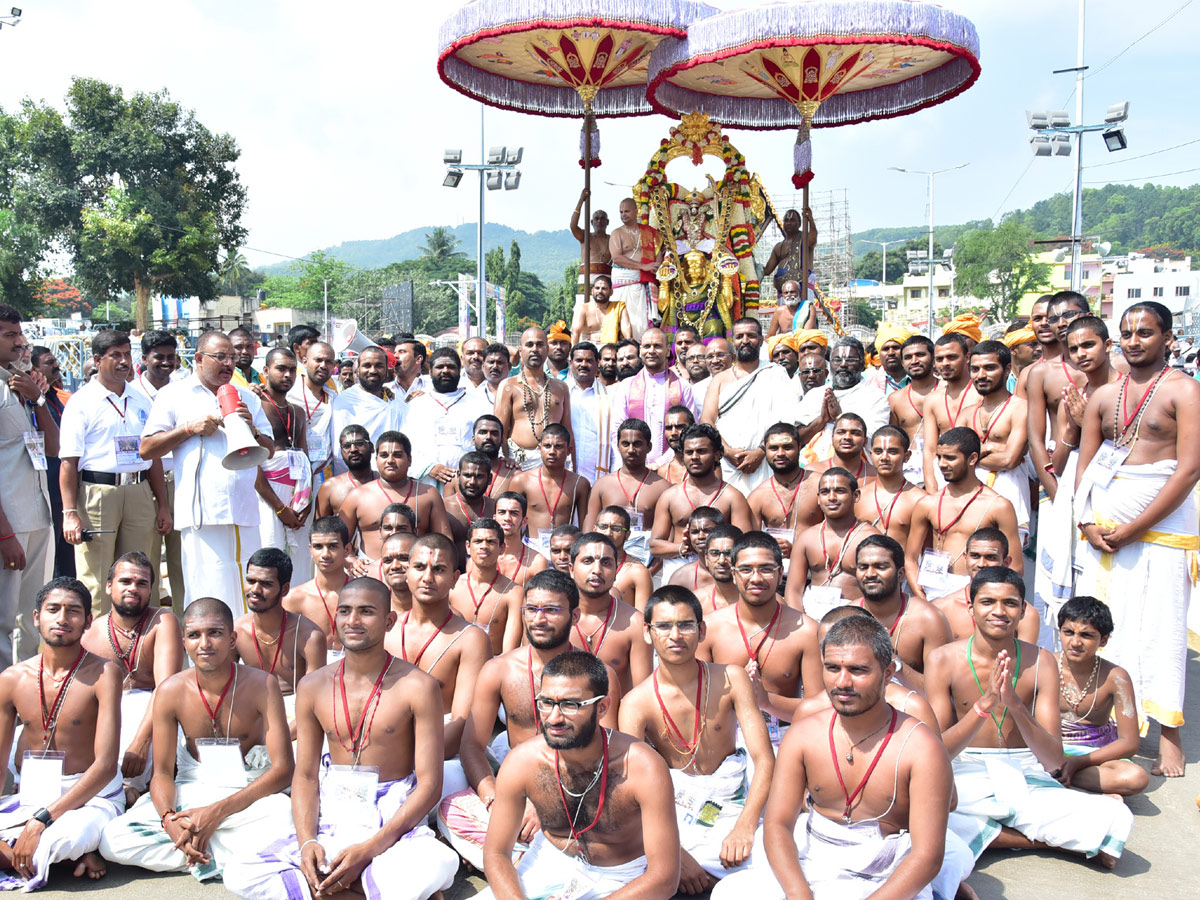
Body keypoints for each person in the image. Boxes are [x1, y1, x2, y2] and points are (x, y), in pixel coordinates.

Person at [222, 577, 459, 900]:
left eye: (366, 612)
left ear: (389, 621)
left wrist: (369, 849)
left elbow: (430, 785)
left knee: (438, 863)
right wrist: (308, 842)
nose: (353, 621)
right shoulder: (313, 686)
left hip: (392, 816)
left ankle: (332, 889)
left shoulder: (418, 686)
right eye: (345, 611)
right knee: (239, 873)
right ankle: (358, 890)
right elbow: (305, 775)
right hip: (334, 810)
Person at [717, 613, 953, 900]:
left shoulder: (920, 745)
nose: (842, 682)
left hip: (885, 871)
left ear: (888, 672)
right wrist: (798, 893)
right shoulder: (803, 734)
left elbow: (927, 856)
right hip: (813, 855)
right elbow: (778, 824)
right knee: (729, 892)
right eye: (832, 668)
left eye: (858, 670)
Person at [924, 567, 1134, 868]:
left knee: (1114, 816)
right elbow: (940, 751)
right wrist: (984, 706)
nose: (999, 611)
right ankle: (1045, 841)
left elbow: (1053, 760)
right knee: (926, 811)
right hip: (964, 768)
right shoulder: (942, 659)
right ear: (971, 607)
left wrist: (1015, 704)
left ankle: (994, 834)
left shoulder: (1042, 660)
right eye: (987, 602)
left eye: (1010, 603)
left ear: (1023, 610)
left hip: (1024, 770)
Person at [1073, 301, 1200, 777]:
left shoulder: (1185, 391)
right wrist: (1086, 523)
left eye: (1145, 332)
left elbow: (1188, 469)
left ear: (1168, 337)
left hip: (1162, 532)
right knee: (1107, 628)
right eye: (1126, 333)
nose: (1133, 340)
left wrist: (1135, 527)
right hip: (1104, 535)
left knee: (1161, 632)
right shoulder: (1105, 396)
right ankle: (1111, 722)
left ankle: (1169, 734)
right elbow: (1083, 469)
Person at [98, 596, 294, 881]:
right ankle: (212, 851)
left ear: (231, 639)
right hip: (192, 789)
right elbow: (163, 773)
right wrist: (168, 821)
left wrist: (215, 814)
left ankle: (195, 851)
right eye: (194, 635)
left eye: (214, 633)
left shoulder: (263, 684)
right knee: (112, 840)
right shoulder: (169, 690)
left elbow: (283, 770)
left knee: (283, 816)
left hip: (247, 791)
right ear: (184, 642)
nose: (204, 643)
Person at [437, 570, 621, 869]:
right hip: (519, 788)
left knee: (613, 813)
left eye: (551, 610)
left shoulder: (598, 675)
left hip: (578, 791)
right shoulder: (499, 670)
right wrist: (495, 800)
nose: (539, 619)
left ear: (574, 616)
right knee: (452, 807)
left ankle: (522, 859)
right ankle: (539, 860)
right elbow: (471, 745)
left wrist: (548, 804)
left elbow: (607, 753)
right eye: (532, 609)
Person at [478, 650, 679, 900]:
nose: (554, 718)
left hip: (623, 878)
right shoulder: (523, 761)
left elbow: (665, 878)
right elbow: (496, 853)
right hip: (548, 861)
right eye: (546, 703)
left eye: (570, 705)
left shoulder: (642, 767)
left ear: (602, 707)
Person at [620, 585, 773, 894]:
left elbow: (764, 758)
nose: (675, 635)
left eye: (685, 624)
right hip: (677, 807)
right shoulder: (636, 703)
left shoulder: (731, 678)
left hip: (734, 798)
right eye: (663, 626)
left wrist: (744, 827)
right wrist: (677, 853)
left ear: (701, 630)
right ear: (648, 633)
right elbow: (630, 789)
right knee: (643, 866)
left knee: (779, 856)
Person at [140, 330, 274, 614]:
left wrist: (254, 430)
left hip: (244, 512)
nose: (229, 364)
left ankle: (245, 652)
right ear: (199, 359)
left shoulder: (247, 398)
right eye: (220, 357)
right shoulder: (174, 394)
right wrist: (189, 429)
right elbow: (147, 449)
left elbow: (270, 449)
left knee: (249, 590)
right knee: (207, 592)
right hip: (201, 514)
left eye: (232, 358)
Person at [0, 577, 122, 888]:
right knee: (43, 842)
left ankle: (60, 852)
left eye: (73, 611)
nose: (62, 619)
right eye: (53, 609)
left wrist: (41, 821)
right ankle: (73, 859)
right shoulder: (12, 678)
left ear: (87, 621)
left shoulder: (105, 673)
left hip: (90, 795)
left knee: (63, 839)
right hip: (31, 794)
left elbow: (106, 767)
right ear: (36, 617)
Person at [59, 330, 170, 616]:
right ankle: (97, 650)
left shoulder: (141, 399)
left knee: (142, 570)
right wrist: (70, 512)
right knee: (96, 578)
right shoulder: (81, 402)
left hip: (139, 491)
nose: (124, 361)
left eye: (127, 354)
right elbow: (68, 463)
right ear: (97, 360)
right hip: (99, 493)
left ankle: (142, 645)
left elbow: (153, 455)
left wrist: (163, 506)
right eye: (115, 355)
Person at [699, 532, 823, 762]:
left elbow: (820, 708)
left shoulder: (807, 631)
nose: (756, 578)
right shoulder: (711, 630)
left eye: (766, 569)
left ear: (780, 573)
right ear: (734, 575)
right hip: (724, 740)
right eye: (746, 570)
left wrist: (766, 702)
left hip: (786, 738)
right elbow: (695, 700)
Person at [1035, 316, 1120, 640]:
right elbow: (1057, 463)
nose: (1081, 353)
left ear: (1107, 345)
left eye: (1088, 345)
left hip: (1112, 490)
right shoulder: (1074, 393)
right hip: (1074, 487)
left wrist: (1091, 423)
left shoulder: (1125, 387)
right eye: (1074, 349)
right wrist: (1071, 430)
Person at [388, 533, 490, 801]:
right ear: (407, 571)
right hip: (383, 742)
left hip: (442, 752)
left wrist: (403, 759)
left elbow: (462, 723)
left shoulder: (470, 638)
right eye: (420, 567)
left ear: (456, 578)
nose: (427, 577)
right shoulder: (387, 630)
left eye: (439, 569)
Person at [80, 552, 183, 801]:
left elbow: (166, 688)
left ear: (151, 590)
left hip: (154, 715)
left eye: (142, 583)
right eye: (125, 581)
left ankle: (126, 790)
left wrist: (140, 742)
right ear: (108, 587)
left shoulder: (163, 622)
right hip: (107, 715)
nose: (133, 588)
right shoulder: (91, 633)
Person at [906, 428, 1022, 601]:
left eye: (950, 458)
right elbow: (910, 559)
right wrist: (922, 597)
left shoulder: (998, 506)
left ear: (973, 459)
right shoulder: (927, 504)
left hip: (981, 590)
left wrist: (990, 596)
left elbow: (1016, 566)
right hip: (934, 590)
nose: (942, 464)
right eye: (939, 457)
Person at [1051, 595, 1149, 796]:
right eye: (1068, 632)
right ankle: (1067, 776)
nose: (1075, 642)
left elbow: (1129, 743)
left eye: (1086, 635)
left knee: (1135, 778)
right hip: (1048, 747)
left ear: (1103, 639)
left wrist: (1079, 762)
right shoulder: (1043, 664)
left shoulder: (1116, 677)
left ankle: (1057, 775)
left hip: (1093, 754)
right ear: (1059, 631)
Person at [702, 318, 798, 495]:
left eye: (751, 336)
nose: (745, 341)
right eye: (740, 336)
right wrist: (726, 451)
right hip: (728, 464)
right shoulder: (720, 380)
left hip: (766, 462)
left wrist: (761, 452)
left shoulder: (776, 373)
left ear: (761, 340)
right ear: (733, 342)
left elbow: (787, 421)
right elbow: (707, 421)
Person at [234, 548, 327, 726]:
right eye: (251, 581)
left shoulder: (308, 636)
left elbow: (315, 702)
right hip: (252, 717)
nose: (255, 590)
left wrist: (277, 738)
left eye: (266, 584)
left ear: (284, 589)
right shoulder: (237, 632)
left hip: (298, 718)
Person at [651, 425, 752, 581]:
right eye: (689, 452)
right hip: (678, 571)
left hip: (721, 572)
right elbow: (655, 545)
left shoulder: (733, 497)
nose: (694, 457)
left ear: (717, 455)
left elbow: (745, 545)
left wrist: (714, 548)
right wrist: (683, 548)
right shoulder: (670, 496)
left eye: (702, 451)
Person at [853, 536, 951, 692]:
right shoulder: (847, 617)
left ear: (900, 574)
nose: (870, 574)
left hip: (913, 712)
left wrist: (890, 658)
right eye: (863, 567)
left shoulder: (929, 619)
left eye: (881, 567)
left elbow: (939, 692)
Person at [129, 330, 183, 609]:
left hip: (179, 481)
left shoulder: (183, 391)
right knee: (146, 559)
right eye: (158, 357)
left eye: (171, 357)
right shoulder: (131, 394)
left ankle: (186, 625)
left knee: (180, 560)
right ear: (144, 359)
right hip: (143, 484)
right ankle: (146, 627)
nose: (165, 363)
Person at [338, 431, 450, 558]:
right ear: (376, 459)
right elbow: (338, 542)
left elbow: (444, 542)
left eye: (397, 455)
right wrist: (352, 561)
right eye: (384, 455)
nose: (390, 460)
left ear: (409, 460)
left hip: (416, 572)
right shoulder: (357, 496)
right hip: (369, 572)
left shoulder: (429, 495)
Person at [254, 348, 313, 582]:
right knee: (269, 559)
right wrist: (279, 507)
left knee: (299, 562)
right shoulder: (256, 407)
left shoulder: (297, 412)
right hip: (268, 497)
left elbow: (305, 460)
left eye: (292, 370)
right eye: (281, 368)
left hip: (298, 497)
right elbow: (254, 467)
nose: (287, 375)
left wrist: (307, 503)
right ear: (266, 371)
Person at [788, 469, 880, 613]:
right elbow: (793, 590)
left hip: (853, 617)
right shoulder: (807, 538)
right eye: (825, 492)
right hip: (809, 614)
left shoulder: (870, 539)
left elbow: (879, 591)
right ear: (818, 498)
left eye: (840, 491)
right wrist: (803, 624)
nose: (831, 497)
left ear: (855, 496)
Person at [568, 533, 651, 692]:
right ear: (571, 569)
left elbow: (642, 692)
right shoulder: (556, 618)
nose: (597, 570)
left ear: (615, 571)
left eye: (606, 563)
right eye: (588, 561)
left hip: (618, 714)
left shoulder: (634, 623)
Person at [966, 341, 1030, 546]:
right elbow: (954, 458)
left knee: (1008, 569)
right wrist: (991, 448)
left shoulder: (1021, 408)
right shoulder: (968, 414)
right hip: (969, 501)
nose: (981, 375)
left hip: (1010, 498)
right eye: (975, 369)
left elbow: (1010, 459)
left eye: (990, 367)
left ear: (1007, 368)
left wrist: (971, 456)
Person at [931, 528, 1042, 645]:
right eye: (975, 556)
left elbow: (1025, 660)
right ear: (965, 557)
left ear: (1006, 562)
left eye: (991, 557)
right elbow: (936, 659)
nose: (981, 564)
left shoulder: (1025, 614)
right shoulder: (942, 608)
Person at [609, 329, 696, 469]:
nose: (652, 351)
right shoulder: (627, 385)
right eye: (647, 346)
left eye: (657, 346)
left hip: (672, 467)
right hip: (632, 466)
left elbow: (690, 429)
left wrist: (661, 463)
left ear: (668, 350)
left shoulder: (682, 386)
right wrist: (624, 462)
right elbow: (616, 431)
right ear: (640, 350)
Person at [406, 349, 491, 488]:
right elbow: (407, 444)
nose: (445, 371)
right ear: (430, 372)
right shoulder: (417, 405)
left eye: (451, 367)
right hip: (426, 482)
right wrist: (429, 468)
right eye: (439, 367)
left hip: (468, 482)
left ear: (460, 370)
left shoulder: (478, 404)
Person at [796, 337, 889, 463]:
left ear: (862, 364)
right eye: (837, 360)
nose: (843, 364)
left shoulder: (874, 397)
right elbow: (796, 438)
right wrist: (821, 420)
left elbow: (874, 442)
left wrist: (839, 417)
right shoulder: (815, 395)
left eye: (850, 360)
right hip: (813, 472)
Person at [494, 327, 572, 471]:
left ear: (547, 349)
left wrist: (573, 465)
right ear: (520, 350)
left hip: (555, 461)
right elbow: (499, 431)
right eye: (529, 345)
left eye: (540, 344)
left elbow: (568, 430)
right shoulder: (508, 386)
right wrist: (505, 460)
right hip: (518, 463)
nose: (535, 349)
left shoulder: (561, 388)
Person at [450, 518, 523, 656]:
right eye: (478, 541)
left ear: (501, 548)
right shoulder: (452, 586)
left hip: (495, 666)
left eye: (490, 541)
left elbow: (509, 653)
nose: (483, 546)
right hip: (454, 663)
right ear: (467, 547)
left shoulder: (514, 593)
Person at [584, 418, 668, 538]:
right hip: (608, 554)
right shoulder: (601, 486)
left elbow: (667, 536)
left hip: (646, 555)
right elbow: (588, 533)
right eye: (625, 444)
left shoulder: (662, 488)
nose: (631, 450)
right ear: (618, 446)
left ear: (649, 447)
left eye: (637, 444)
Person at [283, 517, 351, 663]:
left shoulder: (363, 594)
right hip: (310, 675)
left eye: (332, 546)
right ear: (310, 549)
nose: (325, 554)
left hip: (356, 674)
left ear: (347, 550)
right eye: (318, 546)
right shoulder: (294, 599)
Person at [920, 333, 979, 490]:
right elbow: (930, 450)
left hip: (979, 474)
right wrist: (932, 490)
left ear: (967, 357)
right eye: (939, 359)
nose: (945, 363)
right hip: (943, 476)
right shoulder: (932, 399)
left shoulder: (981, 394)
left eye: (952, 357)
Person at [512, 424, 589, 538]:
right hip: (531, 548)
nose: (552, 451)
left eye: (558, 446)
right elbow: (510, 521)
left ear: (569, 450)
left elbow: (585, 525)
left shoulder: (579, 484)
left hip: (564, 548)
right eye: (547, 446)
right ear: (539, 449)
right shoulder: (522, 481)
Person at [747, 423, 809, 562]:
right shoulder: (758, 496)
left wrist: (797, 550)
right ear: (766, 450)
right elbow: (750, 546)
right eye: (773, 448)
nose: (780, 453)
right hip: (774, 574)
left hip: (816, 572)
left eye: (787, 447)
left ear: (799, 447)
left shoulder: (819, 485)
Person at [329, 346, 401, 460]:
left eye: (379, 366)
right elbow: (340, 450)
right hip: (356, 473)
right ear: (357, 370)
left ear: (387, 369)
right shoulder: (344, 402)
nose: (373, 370)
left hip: (391, 470)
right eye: (367, 365)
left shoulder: (395, 400)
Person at [857, 426, 923, 546]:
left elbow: (927, 550)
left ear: (907, 456)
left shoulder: (920, 500)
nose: (884, 458)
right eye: (878, 451)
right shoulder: (858, 497)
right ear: (871, 455)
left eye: (892, 451)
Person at [608, 197, 663, 341]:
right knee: (622, 322)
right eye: (621, 212)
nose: (623, 215)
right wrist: (643, 267)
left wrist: (655, 266)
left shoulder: (649, 232)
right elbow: (617, 258)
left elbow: (659, 251)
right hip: (623, 282)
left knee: (642, 323)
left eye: (626, 211)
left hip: (643, 283)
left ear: (636, 211)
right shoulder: (617, 233)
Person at [888, 335, 937, 487]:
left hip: (943, 466)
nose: (914, 361)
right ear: (902, 363)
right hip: (910, 471)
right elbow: (894, 440)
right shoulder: (895, 399)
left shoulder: (948, 393)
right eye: (908, 357)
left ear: (934, 357)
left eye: (920, 355)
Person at [567, 341, 617, 484]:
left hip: (599, 477)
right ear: (571, 363)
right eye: (579, 360)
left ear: (598, 364)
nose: (583, 364)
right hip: (566, 473)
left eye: (589, 361)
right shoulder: (562, 394)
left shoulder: (610, 396)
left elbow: (614, 439)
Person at [287, 340, 336, 482]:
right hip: (293, 469)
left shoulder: (333, 397)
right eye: (318, 360)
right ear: (304, 361)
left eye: (329, 362)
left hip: (323, 470)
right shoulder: (289, 391)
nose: (323, 366)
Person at [594, 506, 652, 612]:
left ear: (627, 535)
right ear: (595, 529)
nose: (608, 533)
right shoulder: (584, 564)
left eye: (616, 529)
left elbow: (643, 620)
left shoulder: (638, 572)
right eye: (603, 527)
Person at [442, 451, 496, 563]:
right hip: (455, 577)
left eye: (479, 476)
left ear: (489, 478)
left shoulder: (496, 507)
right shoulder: (443, 507)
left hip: (490, 575)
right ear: (458, 475)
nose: (472, 482)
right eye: (467, 475)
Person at [314, 425, 376, 519]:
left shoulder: (385, 482)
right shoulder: (329, 488)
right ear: (341, 453)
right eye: (347, 446)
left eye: (359, 443)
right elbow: (320, 530)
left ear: (371, 447)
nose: (353, 449)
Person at [666, 507, 725, 594]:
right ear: (688, 535)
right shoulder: (680, 577)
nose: (701, 536)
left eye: (707, 530)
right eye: (695, 532)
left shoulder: (733, 572)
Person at [764, 208, 819, 300]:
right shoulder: (778, 246)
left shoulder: (805, 238)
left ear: (799, 223)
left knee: (802, 313)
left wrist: (810, 219)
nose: (789, 223)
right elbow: (767, 270)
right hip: (782, 291)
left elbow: (813, 240)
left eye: (792, 220)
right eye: (786, 220)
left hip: (802, 288)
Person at [686, 525, 742, 614]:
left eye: (729, 553)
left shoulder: (758, 601)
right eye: (714, 553)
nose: (721, 561)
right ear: (706, 558)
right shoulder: (695, 603)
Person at [570, 189, 613, 295]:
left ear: (607, 222)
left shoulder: (613, 239)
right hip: (586, 280)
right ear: (592, 222)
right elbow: (573, 226)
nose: (599, 221)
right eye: (596, 218)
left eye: (602, 218)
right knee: (584, 309)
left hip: (606, 281)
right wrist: (581, 201)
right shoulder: (585, 236)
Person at [494, 492, 538, 589]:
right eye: (502, 512)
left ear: (524, 521)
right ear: (494, 518)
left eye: (514, 513)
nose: (507, 518)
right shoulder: (479, 558)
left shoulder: (537, 562)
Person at [572, 276, 632, 346]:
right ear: (592, 291)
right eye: (597, 288)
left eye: (604, 288)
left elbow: (628, 335)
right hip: (588, 351)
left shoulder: (619, 308)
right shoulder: (583, 308)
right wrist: (573, 353)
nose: (600, 291)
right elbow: (575, 333)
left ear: (611, 292)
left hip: (611, 351)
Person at [654, 404, 694, 484]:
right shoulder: (662, 472)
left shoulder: (704, 467)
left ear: (692, 427)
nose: (673, 433)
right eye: (669, 428)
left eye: (679, 427)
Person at [867, 324, 912, 395]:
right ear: (879, 353)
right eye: (885, 349)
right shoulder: (868, 382)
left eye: (896, 347)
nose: (891, 353)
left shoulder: (920, 378)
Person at [693, 338, 733, 413]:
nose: (715, 361)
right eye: (710, 357)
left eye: (721, 355)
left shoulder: (742, 383)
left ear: (733, 357)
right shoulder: (696, 390)